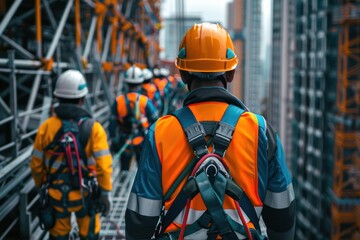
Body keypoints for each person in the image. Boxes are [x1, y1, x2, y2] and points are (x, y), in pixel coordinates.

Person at [125, 23, 296, 239]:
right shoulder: (261, 131)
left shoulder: (160, 132)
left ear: (183, 75)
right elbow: (283, 216)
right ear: (231, 73)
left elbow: (139, 221)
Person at [30, 69, 113, 239]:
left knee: (59, 234)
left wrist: (41, 189)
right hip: (86, 195)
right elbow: (104, 167)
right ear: (82, 98)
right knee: (89, 233)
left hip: (56, 195)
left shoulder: (46, 127)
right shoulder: (94, 128)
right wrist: (105, 194)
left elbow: (36, 165)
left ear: (57, 97)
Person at [109, 65, 158, 171]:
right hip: (141, 141)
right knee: (142, 170)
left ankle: (123, 180)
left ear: (126, 83)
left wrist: (114, 140)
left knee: (124, 170)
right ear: (140, 83)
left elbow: (112, 124)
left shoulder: (118, 101)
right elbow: (156, 122)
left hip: (124, 141)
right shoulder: (145, 101)